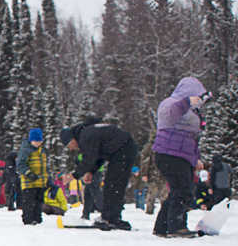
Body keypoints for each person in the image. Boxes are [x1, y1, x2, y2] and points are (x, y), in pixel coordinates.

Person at [149, 77, 209, 237]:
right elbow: (169, 115)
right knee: (183, 190)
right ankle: (176, 226)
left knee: (178, 190)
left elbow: (192, 138)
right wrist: (186, 102)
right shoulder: (171, 103)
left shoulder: (192, 111)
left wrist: (196, 158)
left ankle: (162, 227)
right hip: (170, 154)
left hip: (181, 155)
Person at [59, 117, 137, 231]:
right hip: (125, 149)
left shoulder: (85, 137)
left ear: (71, 139)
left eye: (69, 145)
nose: (72, 148)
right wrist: (91, 171)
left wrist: (73, 175)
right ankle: (113, 217)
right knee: (115, 184)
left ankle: (108, 218)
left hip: (122, 151)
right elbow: (99, 155)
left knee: (113, 185)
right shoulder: (89, 132)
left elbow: (89, 159)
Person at [16, 128, 47, 225]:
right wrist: (29, 173)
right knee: (29, 201)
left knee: (39, 201)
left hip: (40, 181)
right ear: (31, 140)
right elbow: (20, 164)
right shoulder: (26, 150)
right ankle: (28, 218)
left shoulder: (42, 151)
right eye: (35, 141)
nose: (37, 143)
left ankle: (37, 217)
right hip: (29, 182)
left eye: (39, 141)